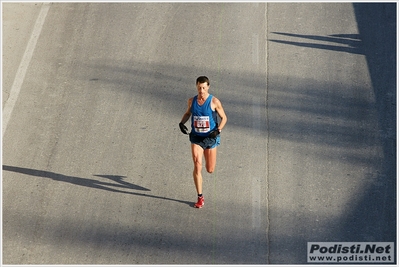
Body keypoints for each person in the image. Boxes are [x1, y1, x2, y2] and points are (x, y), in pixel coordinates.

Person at [179, 76, 227, 208]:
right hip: (197, 137)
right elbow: (188, 113)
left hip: (210, 137)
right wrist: (182, 123)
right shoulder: (192, 101)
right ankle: (200, 197)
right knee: (197, 163)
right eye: (199, 88)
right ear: (196, 87)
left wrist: (218, 130)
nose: (201, 90)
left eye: (204, 88)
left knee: (210, 169)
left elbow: (224, 118)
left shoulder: (214, 102)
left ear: (208, 87)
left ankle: (208, 163)